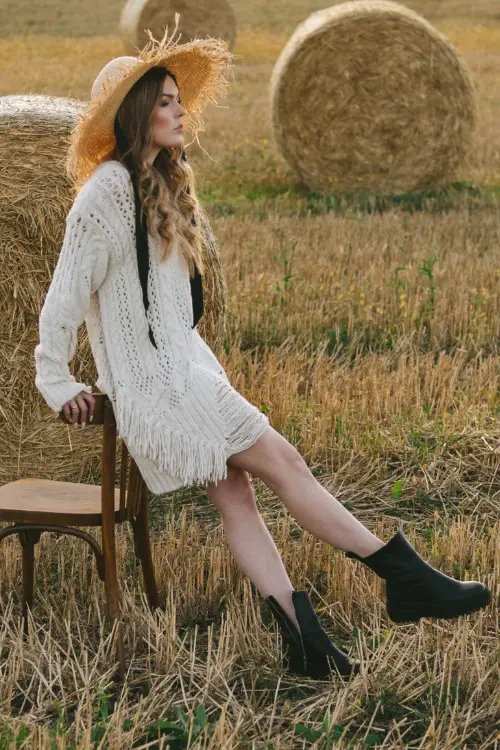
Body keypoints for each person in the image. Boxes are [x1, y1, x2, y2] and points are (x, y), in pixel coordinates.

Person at [34, 25, 491, 681]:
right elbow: (62, 301)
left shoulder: (159, 186)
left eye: (177, 99)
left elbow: (173, 309)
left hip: (188, 374)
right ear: (135, 114)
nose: (179, 110)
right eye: (164, 101)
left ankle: (305, 642)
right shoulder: (104, 194)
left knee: (239, 496)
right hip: (156, 388)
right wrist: (56, 382)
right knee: (284, 461)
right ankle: (401, 575)